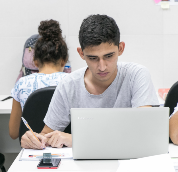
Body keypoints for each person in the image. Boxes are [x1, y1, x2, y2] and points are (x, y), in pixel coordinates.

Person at [20, 14, 159, 150]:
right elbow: (46, 136)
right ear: (81, 54)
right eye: (93, 58)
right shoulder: (68, 85)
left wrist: (76, 140)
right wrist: (34, 140)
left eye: (109, 56)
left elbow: (144, 131)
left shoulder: (137, 75)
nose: (102, 66)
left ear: (120, 48)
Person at [9, 19, 69, 140]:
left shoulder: (22, 84)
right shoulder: (72, 82)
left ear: (35, 62)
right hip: (67, 150)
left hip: (32, 151)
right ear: (64, 60)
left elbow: (14, 133)